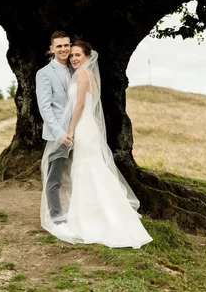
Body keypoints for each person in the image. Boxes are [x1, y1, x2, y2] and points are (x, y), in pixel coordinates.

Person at [40, 39, 152, 249]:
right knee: (89, 170)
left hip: (81, 128)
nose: (73, 58)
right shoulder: (84, 74)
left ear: (88, 57)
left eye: (77, 55)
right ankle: (97, 214)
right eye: (71, 55)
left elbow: (81, 103)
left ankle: (96, 220)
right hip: (87, 127)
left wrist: (71, 129)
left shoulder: (82, 74)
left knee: (86, 170)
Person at [36, 31, 73, 222]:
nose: (64, 49)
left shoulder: (76, 69)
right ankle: (56, 217)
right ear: (52, 49)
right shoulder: (44, 74)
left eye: (66, 45)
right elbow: (45, 107)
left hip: (77, 131)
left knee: (79, 173)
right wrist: (60, 133)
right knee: (55, 179)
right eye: (59, 46)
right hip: (57, 134)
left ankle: (77, 213)